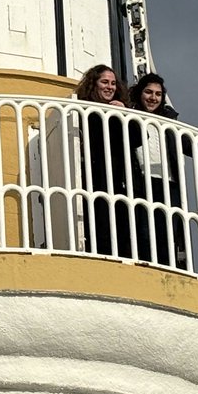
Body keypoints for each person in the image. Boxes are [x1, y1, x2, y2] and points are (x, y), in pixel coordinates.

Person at [73, 64, 137, 259]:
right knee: (96, 218)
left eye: (113, 83)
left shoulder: (119, 111)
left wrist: (125, 114)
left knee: (119, 219)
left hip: (117, 175)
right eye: (104, 82)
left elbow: (138, 138)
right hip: (93, 172)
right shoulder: (83, 109)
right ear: (94, 84)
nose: (110, 87)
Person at [128, 73, 186, 268]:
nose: (153, 98)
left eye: (158, 94)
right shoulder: (130, 114)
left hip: (168, 180)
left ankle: (167, 267)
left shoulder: (169, 119)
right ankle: (147, 267)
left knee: (169, 229)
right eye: (148, 92)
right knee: (144, 228)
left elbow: (188, 146)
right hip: (142, 178)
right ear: (139, 93)